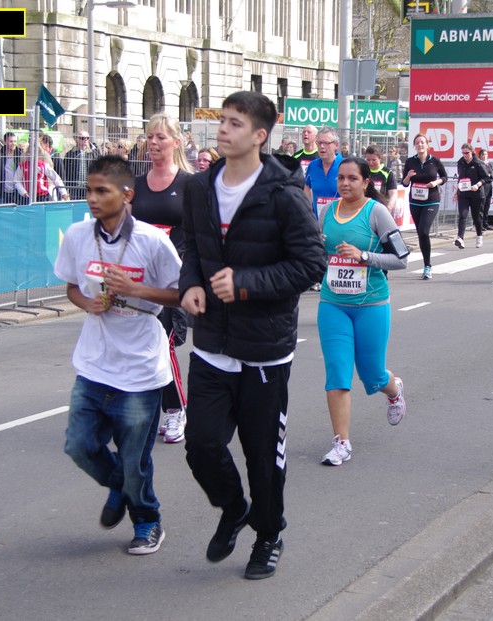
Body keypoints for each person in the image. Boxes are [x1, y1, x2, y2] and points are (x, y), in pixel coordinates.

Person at [179, 91, 326, 580]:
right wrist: (191, 284)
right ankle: (234, 508)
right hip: (212, 344)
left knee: (263, 457)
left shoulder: (283, 193)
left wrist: (245, 284)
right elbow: (193, 246)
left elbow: (311, 264)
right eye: (222, 120)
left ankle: (268, 534)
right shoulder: (200, 187)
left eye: (235, 123)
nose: (223, 129)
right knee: (201, 443)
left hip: (264, 350)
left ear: (260, 135)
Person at [54, 155, 181, 555]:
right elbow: (72, 286)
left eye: (101, 191)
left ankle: (147, 521)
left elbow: (183, 294)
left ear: (127, 195)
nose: (92, 198)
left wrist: (135, 289)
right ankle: (120, 488)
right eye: (88, 190)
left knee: (134, 459)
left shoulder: (152, 241)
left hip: (140, 367)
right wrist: (87, 303)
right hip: (94, 363)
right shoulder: (78, 235)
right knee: (79, 445)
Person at [317, 157, 408, 467]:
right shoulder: (327, 212)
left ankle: (394, 390)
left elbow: (402, 258)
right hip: (333, 304)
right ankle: (341, 443)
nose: (345, 183)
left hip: (371, 305)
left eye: (352, 178)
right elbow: (317, 252)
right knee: (338, 372)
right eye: (341, 178)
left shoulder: (376, 212)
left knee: (372, 374)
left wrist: (365, 256)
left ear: (366, 182)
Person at [131, 113, 195, 443]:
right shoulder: (136, 184)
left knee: (163, 343)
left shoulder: (189, 184)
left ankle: (175, 410)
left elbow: (202, 233)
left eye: (161, 137)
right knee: (137, 345)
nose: (154, 143)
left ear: (176, 142)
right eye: (150, 136)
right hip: (139, 278)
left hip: (173, 280)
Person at [402, 133, 447, 278]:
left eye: (422, 142)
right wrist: (408, 176)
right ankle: (426, 264)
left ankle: (427, 266)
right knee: (421, 233)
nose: (420, 145)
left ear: (427, 145)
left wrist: (435, 182)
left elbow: (444, 177)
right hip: (415, 201)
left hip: (431, 200)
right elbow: (404, 183)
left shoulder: (435, 161)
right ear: (414, 146)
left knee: (424, 231)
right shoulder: (410, 161)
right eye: (417, 143)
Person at [453, 143, 492, 248]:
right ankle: (460, 238)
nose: (465, 155)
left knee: (476, 217)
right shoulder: (460, 163)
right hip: (463, 193)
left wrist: (478, 185)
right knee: (463, 215)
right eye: (463, 153)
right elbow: (460, 178)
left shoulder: (478, 163)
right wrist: (457, 191)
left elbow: (486, 178)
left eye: (467, 153)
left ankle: (479, 236)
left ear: (472, 152)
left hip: (476, 194)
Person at [304, 127, 342, 221]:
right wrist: (308, 210)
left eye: (326, 143)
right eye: (319, 143)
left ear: (336, 145)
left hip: (340, 223)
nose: (321, 146)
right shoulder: (312, 166)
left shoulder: (345, 166)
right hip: (317, 223)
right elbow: (307, 187)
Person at [63, 131, 101, 200]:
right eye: (83, 138)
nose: (85, 140)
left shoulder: (94, 154)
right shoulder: (70, 154)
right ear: (77, 139)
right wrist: (66, 188)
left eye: (87, 138)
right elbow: (65, 171)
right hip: (75, 187)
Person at [364, 145, 398, 218]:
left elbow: (393, 193)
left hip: (382, 209)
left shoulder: (387, 173)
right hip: (366, 210)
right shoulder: (363, 171)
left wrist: (389, 208)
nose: (370, 163)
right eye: (368, 160)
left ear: (380, 158)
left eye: (374, 160)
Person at [0, 131, 24, 205]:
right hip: (1, 193)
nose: (13, 143)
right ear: (5, 142)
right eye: (11, 141)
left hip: (16, 193)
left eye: (15, 141)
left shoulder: (20, 156)